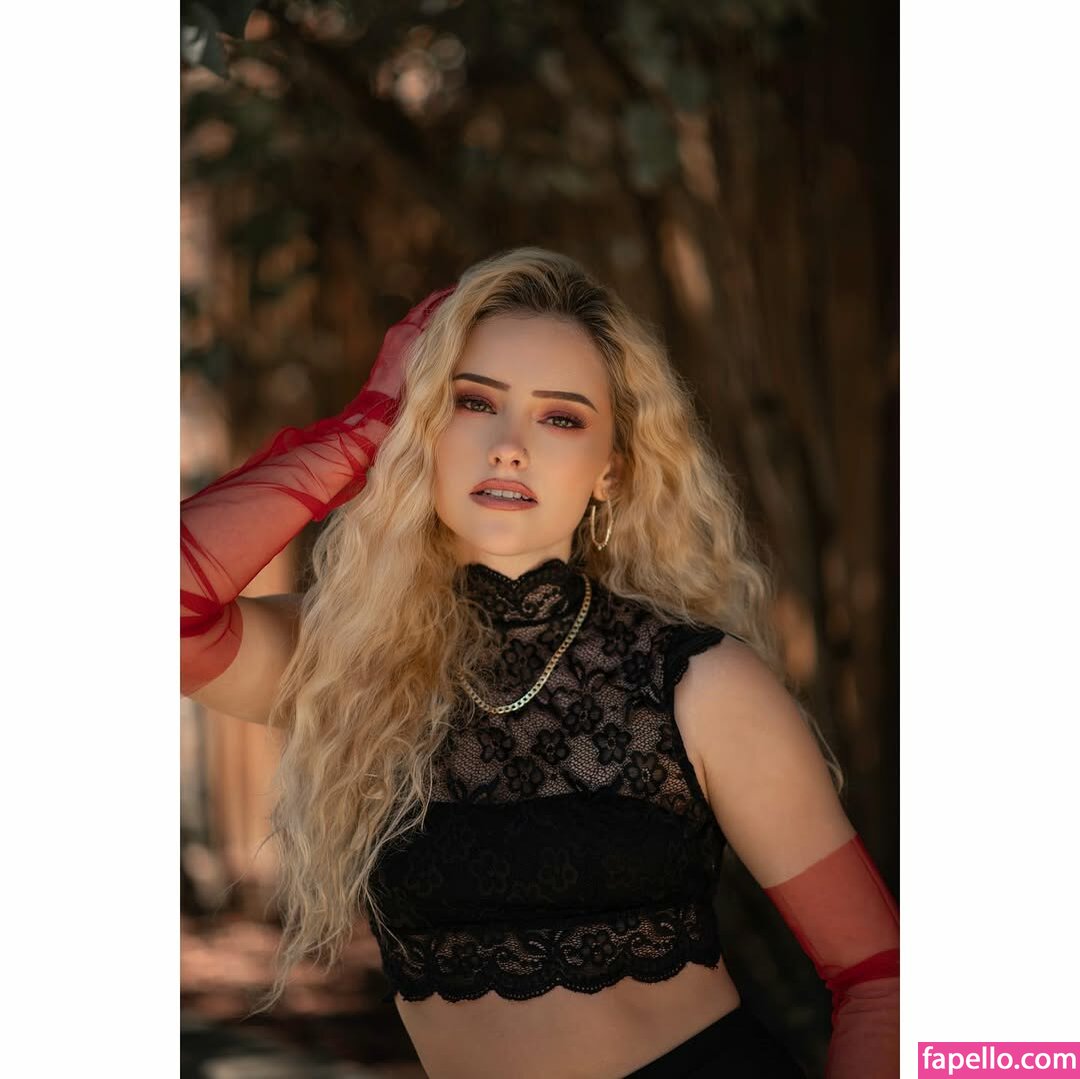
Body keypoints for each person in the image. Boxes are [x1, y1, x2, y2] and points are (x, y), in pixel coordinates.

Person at [180, 248, 899, 1078]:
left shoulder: (699, 682)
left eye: (561, 418)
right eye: (472, 402)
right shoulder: (348, 662)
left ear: (611, 469)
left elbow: (878, 979)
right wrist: (364, 429)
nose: (509, 446)